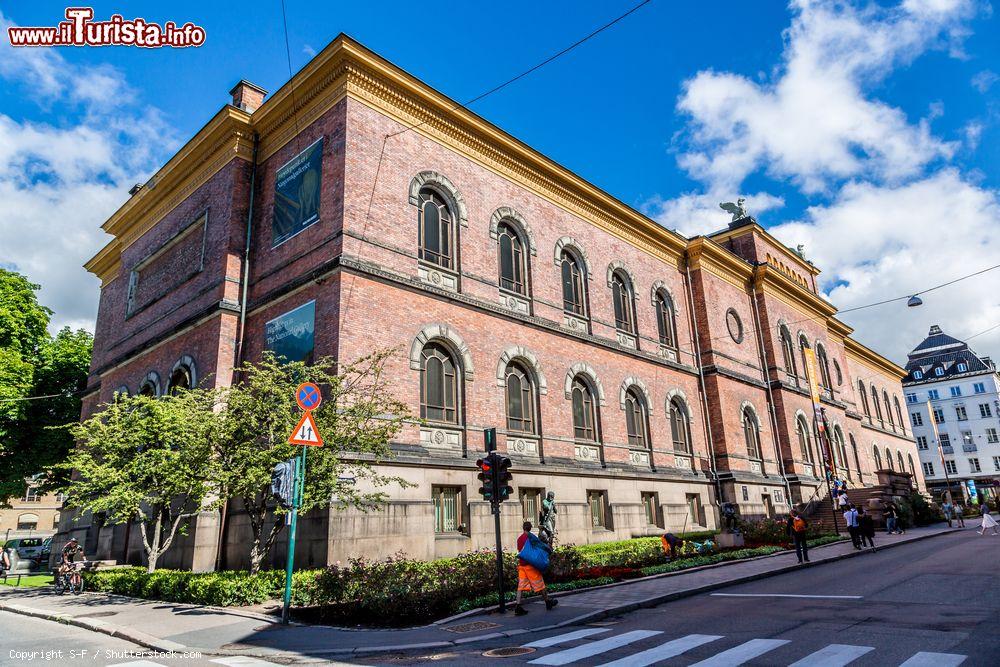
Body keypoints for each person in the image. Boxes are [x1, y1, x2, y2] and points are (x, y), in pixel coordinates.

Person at [514, 522, 557, 616]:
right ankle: (547, 602)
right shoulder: (531, 537)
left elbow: (521, 551)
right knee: (540, 584)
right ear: (530, 528)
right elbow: (539, 546)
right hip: (530, 566)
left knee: (520, 586)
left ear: (523, 528)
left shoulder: (519, 539)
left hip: (522, 565)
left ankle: (518, 606)